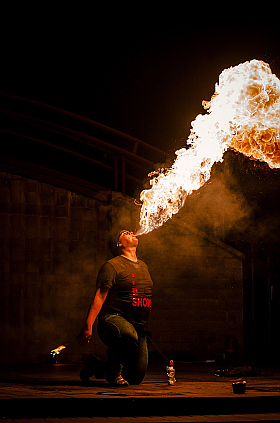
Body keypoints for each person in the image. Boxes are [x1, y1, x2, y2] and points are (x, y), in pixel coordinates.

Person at [77, 230, 153, 386]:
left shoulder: (143, 265)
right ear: (119, 244)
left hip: (138, 326)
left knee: (135, 377)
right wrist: (88, 325)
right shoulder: (112, 265)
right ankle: (113, 372)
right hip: (113, 320)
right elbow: (99, 297)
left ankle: (94, 365)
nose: (131, 232)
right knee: (127, 334)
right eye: (125, 233)